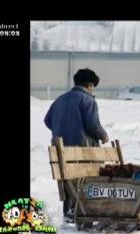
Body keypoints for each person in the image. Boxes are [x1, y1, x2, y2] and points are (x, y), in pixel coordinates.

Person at [44, 68, 109, 223]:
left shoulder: (60, 99)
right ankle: (83, 215)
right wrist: (104, 136)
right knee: (84, 182)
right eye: (93, 86)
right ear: (90, 84)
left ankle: (69, 214)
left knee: (68, 181)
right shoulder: (87, 100)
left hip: (61, 151)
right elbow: (93, 125)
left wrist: (61, 128)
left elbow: (47, 120)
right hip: (82, 151)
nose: (93, 89)